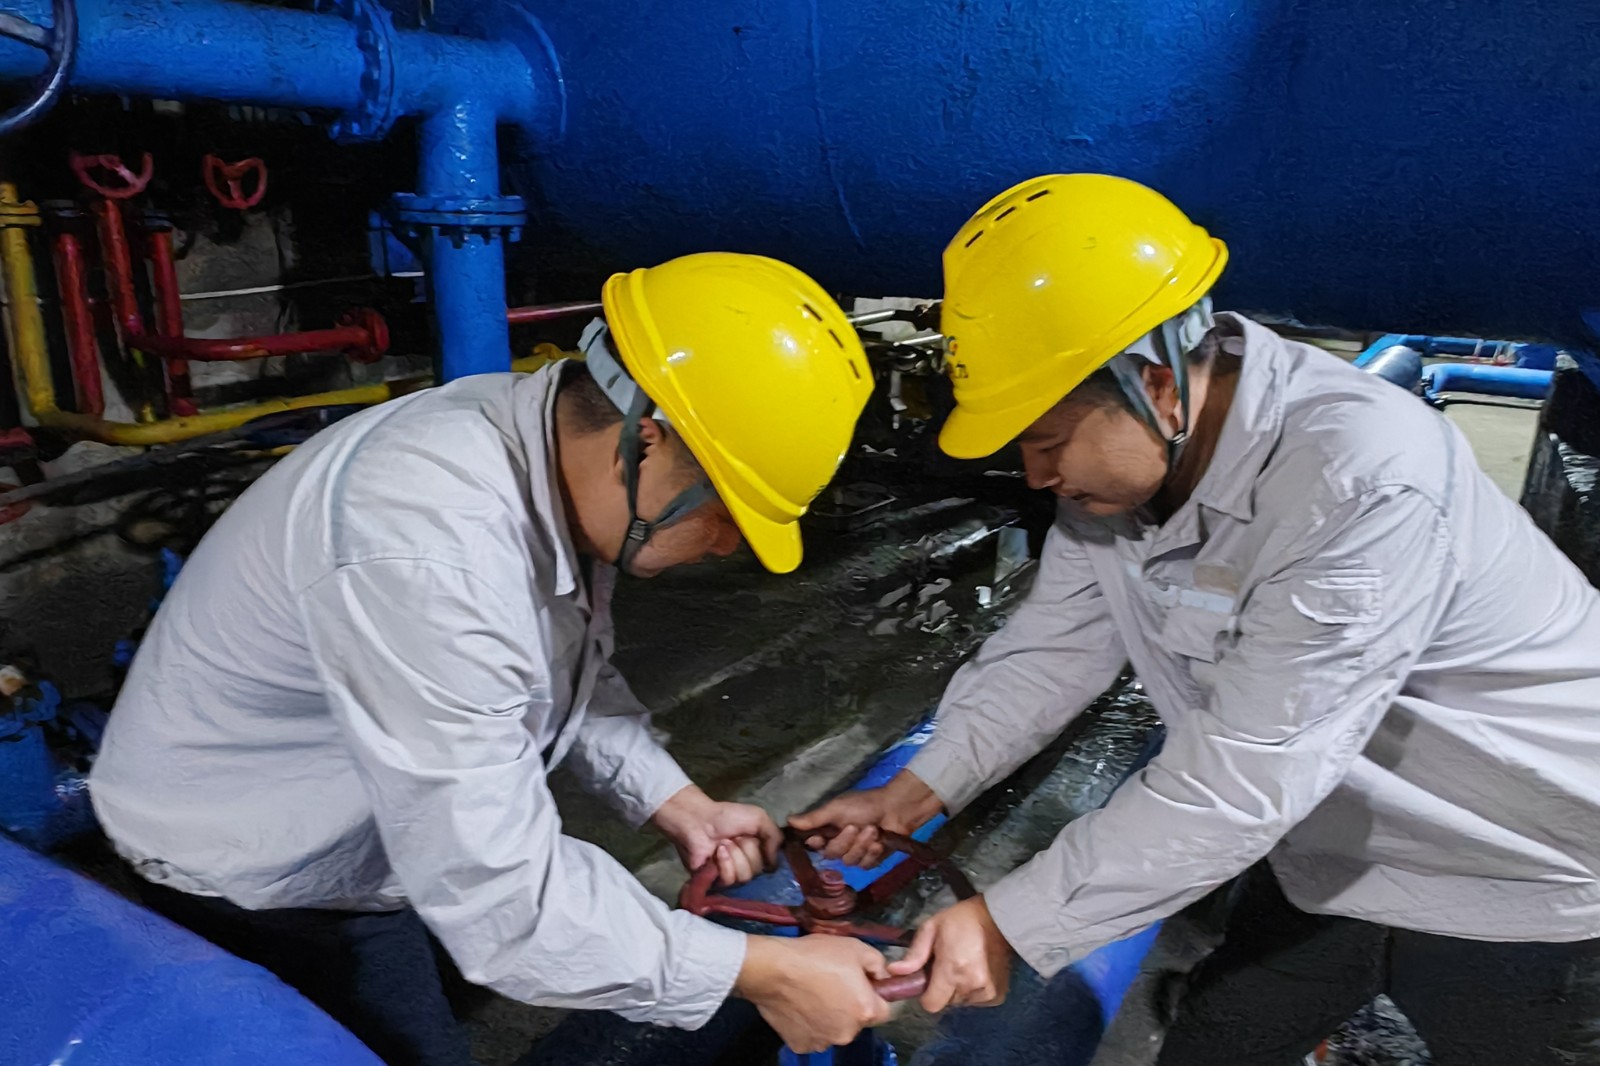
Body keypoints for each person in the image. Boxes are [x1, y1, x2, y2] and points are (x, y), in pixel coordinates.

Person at [794, 174, 1600, 1064]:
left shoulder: (1360, 480)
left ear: (1156, 386)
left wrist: (1007, 920)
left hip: (1531, 874)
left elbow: (1242, 778)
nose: (1035, 475)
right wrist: (916, 790)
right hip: (1334, 855)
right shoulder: (1125, 479)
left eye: (1047, 441)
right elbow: (1051, 651)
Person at [90, 252, 895, 1065]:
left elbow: (553, 664)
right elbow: (504, 901)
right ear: (643, 444)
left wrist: (676, 801)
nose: (726, 546)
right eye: (725, 514)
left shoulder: (535, 450)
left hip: (361, 813)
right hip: (254, 863)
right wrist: (761, 972)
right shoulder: (430, 547)